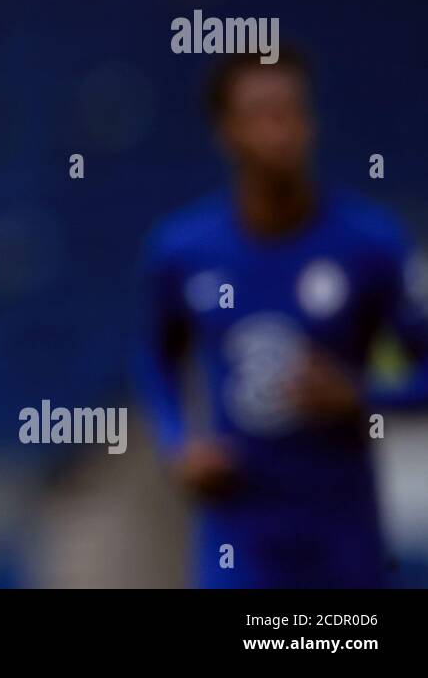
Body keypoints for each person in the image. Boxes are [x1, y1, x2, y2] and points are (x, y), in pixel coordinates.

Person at [134, 45, 428, 588]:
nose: (280, 131)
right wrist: (181, 444)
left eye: (290, 111)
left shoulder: (369, 244)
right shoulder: (183, 250)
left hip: (344, 530)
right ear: (227, 132)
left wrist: (363, 395)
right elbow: (156, 356)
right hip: (240, 529)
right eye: (260, 114)